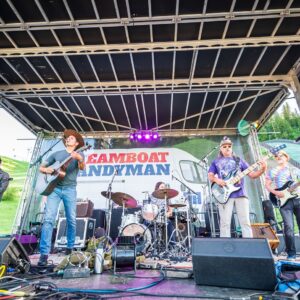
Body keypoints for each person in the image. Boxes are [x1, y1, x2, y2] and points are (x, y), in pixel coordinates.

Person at [38, 129, 85, 266]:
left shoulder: (79, 153)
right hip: (55, 188)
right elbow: (42, 166)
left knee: (71, 220)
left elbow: (82, 167)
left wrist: (80, 159)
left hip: (70, 189)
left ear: (76, 143)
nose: (68, 139)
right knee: (48, 220)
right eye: (68, 138)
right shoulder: (56, 153)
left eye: (72, 138)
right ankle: (44, 254)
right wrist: (46, 170)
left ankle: (69, 250)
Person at [208, 136, 267, 238]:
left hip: (241, 194)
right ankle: (225, 247)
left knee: (245, 222)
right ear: (220, 148)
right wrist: (218, 180)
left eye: (229, 146)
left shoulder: (239, 160)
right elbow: (210, 175)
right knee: (225, 223)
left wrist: (263, 169)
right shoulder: (216, 161)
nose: (227, 148)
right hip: (225, 196)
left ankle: (248, 246)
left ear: (232, 148)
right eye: (225, 146)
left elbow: (252, 175)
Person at [265, 150, 300, 260]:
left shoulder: (294, 169)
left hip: (298, 198)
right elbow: (267, 185)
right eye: (277, 156)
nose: (278, 157)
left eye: (281, 155)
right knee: (288, 227)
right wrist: (276, 192)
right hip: (284, 202)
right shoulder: (272, 171)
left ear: (286, 157)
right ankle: (291, 253)